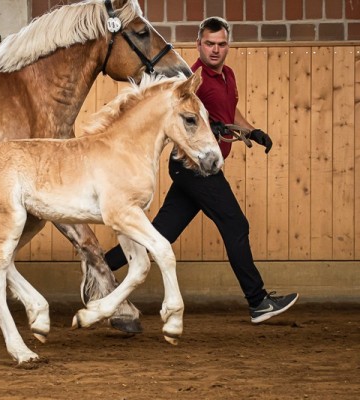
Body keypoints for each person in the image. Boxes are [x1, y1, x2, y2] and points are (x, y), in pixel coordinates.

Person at [104, 16, 298, 323]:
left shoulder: (227, 76)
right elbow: (185, 119)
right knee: (236, 225)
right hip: (194, 168)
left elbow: (229, 109)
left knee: (160, 233)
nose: (216, 50)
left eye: (221, 44)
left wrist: (251, 131)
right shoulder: (192, 80)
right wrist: (212, 127)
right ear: (198, 45)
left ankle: (100, 266)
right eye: (209, 44)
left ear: (228, 46)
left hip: (193, 172)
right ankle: (258, 301)